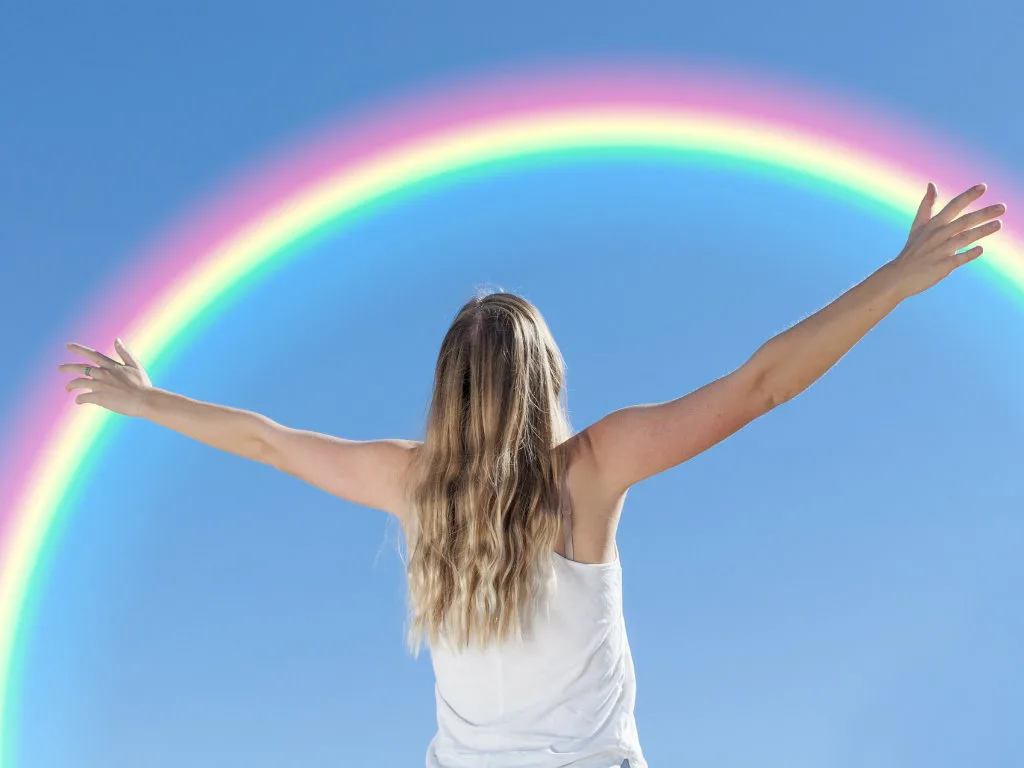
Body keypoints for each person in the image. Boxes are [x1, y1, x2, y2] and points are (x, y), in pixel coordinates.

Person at [60, 182, 1004, 767]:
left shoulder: (415, 484)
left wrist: (148, 402)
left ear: (451, 390)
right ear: (548, 380)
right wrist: (896, 276)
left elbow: (268, 440)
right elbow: (761, 384)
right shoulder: (590, 470)